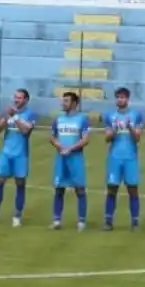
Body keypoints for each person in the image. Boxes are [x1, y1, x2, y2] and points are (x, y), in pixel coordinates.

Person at [0, 88, 36, 226]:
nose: (16, 100)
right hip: (6, 153)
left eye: (19, 97)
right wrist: (6, 117)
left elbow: (26, 130)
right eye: (15, 97)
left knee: (20, 184)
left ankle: (17, 217)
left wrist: (16, 117)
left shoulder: (30, 114)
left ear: (26, 100)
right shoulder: (9, 111)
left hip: (21, 155)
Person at [101, 88, 144, 231]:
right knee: (112, 189)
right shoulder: (110, 116)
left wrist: (129, 127)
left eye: (123, 97)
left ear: (128, 99)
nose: (120, 100)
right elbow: (107, 138)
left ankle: (135, 222)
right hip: (115, 157)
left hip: (130, 158)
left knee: (133, 189)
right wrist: (115, 130)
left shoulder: (136, 115)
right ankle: (108, 221)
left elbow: (137, 137)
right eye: (118, 97)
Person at [49, 91, 92, 231]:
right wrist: (60, 146)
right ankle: (56, 220)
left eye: (66, 101)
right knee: (59, 189)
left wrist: (70, 149)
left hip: (75, 159)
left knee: (80, 190)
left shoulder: (82, 119)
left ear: (74, 103)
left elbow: (85, 140)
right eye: (63, 100)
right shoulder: (58, 120)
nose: (63, 103)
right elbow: (52, 137)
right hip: (61, 158)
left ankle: (81, 221)